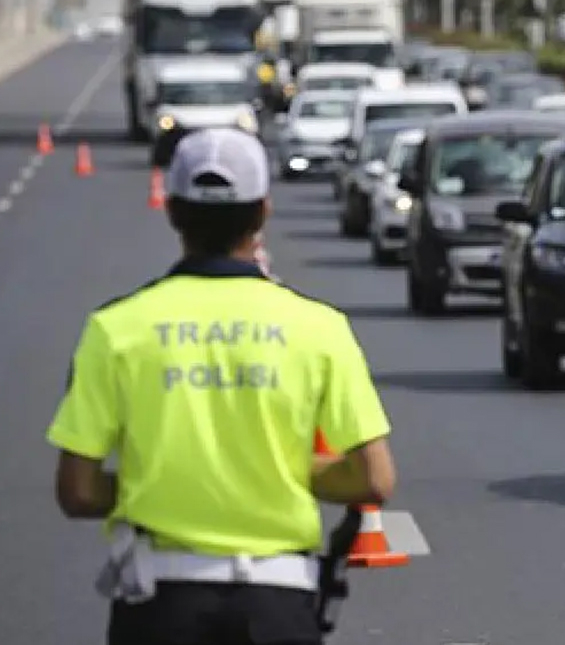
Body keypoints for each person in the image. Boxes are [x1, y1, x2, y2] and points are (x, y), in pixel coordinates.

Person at [47, 127, 397, 645]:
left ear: (171, 209)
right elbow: (373, 479)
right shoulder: (319, 327)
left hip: (160, 600)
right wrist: (271, 471)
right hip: (278, 602)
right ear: (262, 213)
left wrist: (167, 481)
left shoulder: (116, 328)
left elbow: (77, 490)